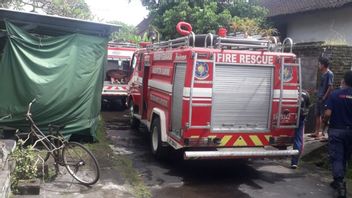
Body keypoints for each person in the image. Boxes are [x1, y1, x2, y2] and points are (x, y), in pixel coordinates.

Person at [322, 71, 352, 198]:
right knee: (345, 156)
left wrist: (324, 121)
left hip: (336, 131)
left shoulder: (334, 95)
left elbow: (328, 114)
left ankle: (340, 184)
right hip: (350, 132)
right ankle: (337, 180)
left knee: (337, 157)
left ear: (344, 81)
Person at [309, 57, 334, 140]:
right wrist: (316, 92)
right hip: (319, 97)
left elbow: (330, 87)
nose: (318, 66)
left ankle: (322, 132)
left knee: (324, 116)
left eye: (319, 64)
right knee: (317, 115)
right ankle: (317, 132)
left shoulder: (329, 74)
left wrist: (324, 97)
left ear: (323, 65)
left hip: (324, 98)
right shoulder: (323, 74)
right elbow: (322, 87)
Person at [291, 90, 311, 169]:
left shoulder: (290, 92)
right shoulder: (305, 93)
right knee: (298, 138)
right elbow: (308, 105)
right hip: (301, 117)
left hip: (289, 115)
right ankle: (294, 162)